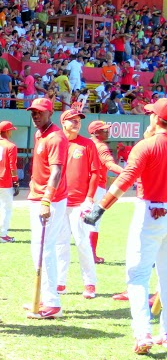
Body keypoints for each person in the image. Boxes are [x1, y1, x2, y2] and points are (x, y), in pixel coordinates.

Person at [83, 98, 167, 355]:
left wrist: (100, 207)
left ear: (156, 118)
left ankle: (143, 333)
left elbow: (126, 178)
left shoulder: (146, 145)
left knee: (138, 276)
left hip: (150, 211)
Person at [24, 97, 69, 319]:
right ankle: (44, 296)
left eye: (40, 112)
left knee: (45, 248)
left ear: (50, 113)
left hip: (50, 199)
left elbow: (56, 172)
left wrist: (46, 199)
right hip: (38, 196)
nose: (35, 115)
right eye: (33, 111)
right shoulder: (39, 133)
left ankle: (53, 303)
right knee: (38, 248)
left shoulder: (56, 137)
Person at [55, 109, 99, 299]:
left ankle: (90, 283)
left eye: (78, 120)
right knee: (60, 243)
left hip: (79, 202)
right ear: (63, 122)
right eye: (71, 120)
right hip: (59, 201)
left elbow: (96, 172)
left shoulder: (87, 144)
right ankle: (59, 281)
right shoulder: (57, 142)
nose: (76, 123)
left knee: (82, 242)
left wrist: (90, 198)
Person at [88, 120, 123, 264]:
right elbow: (109, 164)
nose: (107, 131)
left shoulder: (86, 143)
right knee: (93, 222)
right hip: (97, 187)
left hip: (84, 187)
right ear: (96, 132)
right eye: (104, 129)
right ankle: (91, 255)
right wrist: (127, 173)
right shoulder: (101, 146)